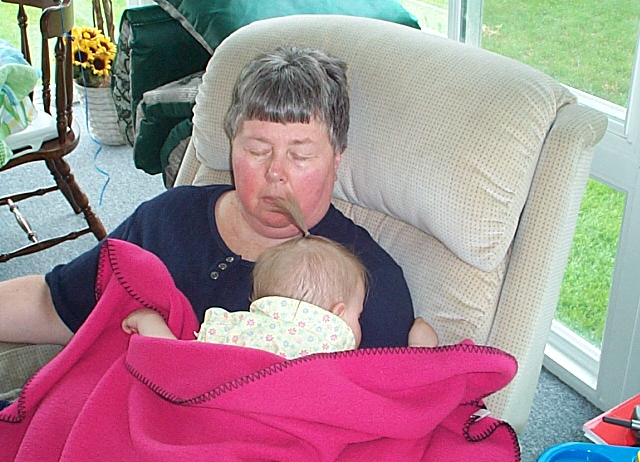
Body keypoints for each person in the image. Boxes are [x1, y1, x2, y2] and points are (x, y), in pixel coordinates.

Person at [0, 46, 416, 350]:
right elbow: (57, 303)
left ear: (336, 158)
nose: (275, 171)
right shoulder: (171, 217)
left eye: (300, 155)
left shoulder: (365, 284)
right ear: (232, 146)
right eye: (257, 149)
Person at [122, 196, 369, 357]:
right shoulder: (333, 347)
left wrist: (149, 322)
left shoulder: (238, 330)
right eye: (356, 316)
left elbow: (176, 361)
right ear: (338, 312)